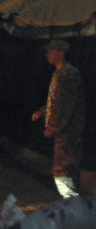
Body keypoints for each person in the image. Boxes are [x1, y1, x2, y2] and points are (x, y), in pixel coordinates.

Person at [32, 39, 85, 198]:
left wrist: (53, 127)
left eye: (51, 50)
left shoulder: (67, 74)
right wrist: (43, 112)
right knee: (67, 169)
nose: (48, 53)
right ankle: (75, 204)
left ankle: (72, 205)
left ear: (61, 52)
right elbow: (57, 101)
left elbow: (67, 105)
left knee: (62, 171)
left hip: (68, 132)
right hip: (67, 131)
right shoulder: (61, 73)